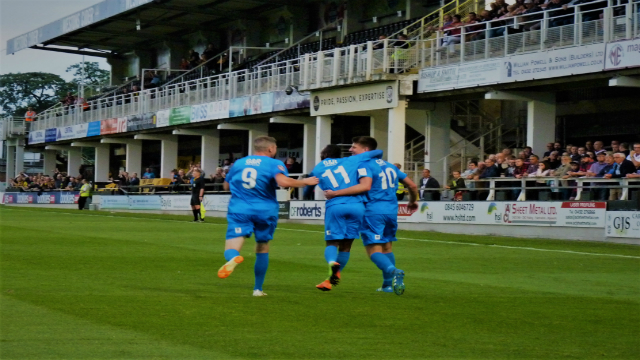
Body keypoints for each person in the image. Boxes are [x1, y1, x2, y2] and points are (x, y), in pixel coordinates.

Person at [217, 136, 318, 297]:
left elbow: (226, 185)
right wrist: (305, 182)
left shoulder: (239, 163)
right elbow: (284, 182)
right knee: (262, 246)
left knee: (231, 247)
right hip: (266, 211)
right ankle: (257, 289)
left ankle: (234, 258)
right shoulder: (274, 164)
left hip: (240, 209)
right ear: (271, 149)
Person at [325, 136, 419, 295]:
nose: (350, 150)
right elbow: (412, 185)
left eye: (354, 147)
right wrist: (412, 201)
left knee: (373, 250)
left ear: (366, 150)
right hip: (390, 210)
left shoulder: (364, 165)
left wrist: (335, 193)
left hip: (372, 211)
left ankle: (394, 270)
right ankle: (387, 286)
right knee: (387, 247)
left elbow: (364, 186)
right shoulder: (390, 166)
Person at [309, 143, 382, 292]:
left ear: (323, 154)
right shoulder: (350, 161)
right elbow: (378, 151)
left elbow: (309, 186)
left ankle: (332, 263)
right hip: (357, 205)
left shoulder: (317, 168)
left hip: (335, 205)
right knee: (346, 245)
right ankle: (331, 280)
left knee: (331, 242)